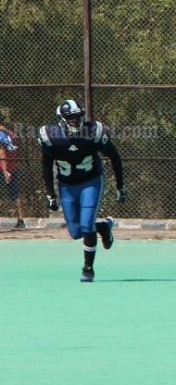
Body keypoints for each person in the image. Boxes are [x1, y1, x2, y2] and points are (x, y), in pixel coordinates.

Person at [39, 99, 128, 282]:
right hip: (67, 185)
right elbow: (46, 165)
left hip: (91, 181)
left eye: (77, 117)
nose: (74, 121)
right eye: (70, 118)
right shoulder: (51, 135)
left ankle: (88, 268)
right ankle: (103, 227)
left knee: (87, 225)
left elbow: (114, 156)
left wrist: (120, 185)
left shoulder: (93, 132)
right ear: (61, 119)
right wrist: (51, 194)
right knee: (76, 232)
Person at [0, 115, 25, 228]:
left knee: (13, 193)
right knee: (15, 194)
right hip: (13, 166)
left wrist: (5, 171)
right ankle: (21, 220)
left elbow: (2, 152)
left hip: (2, 167)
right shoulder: (11, 133)